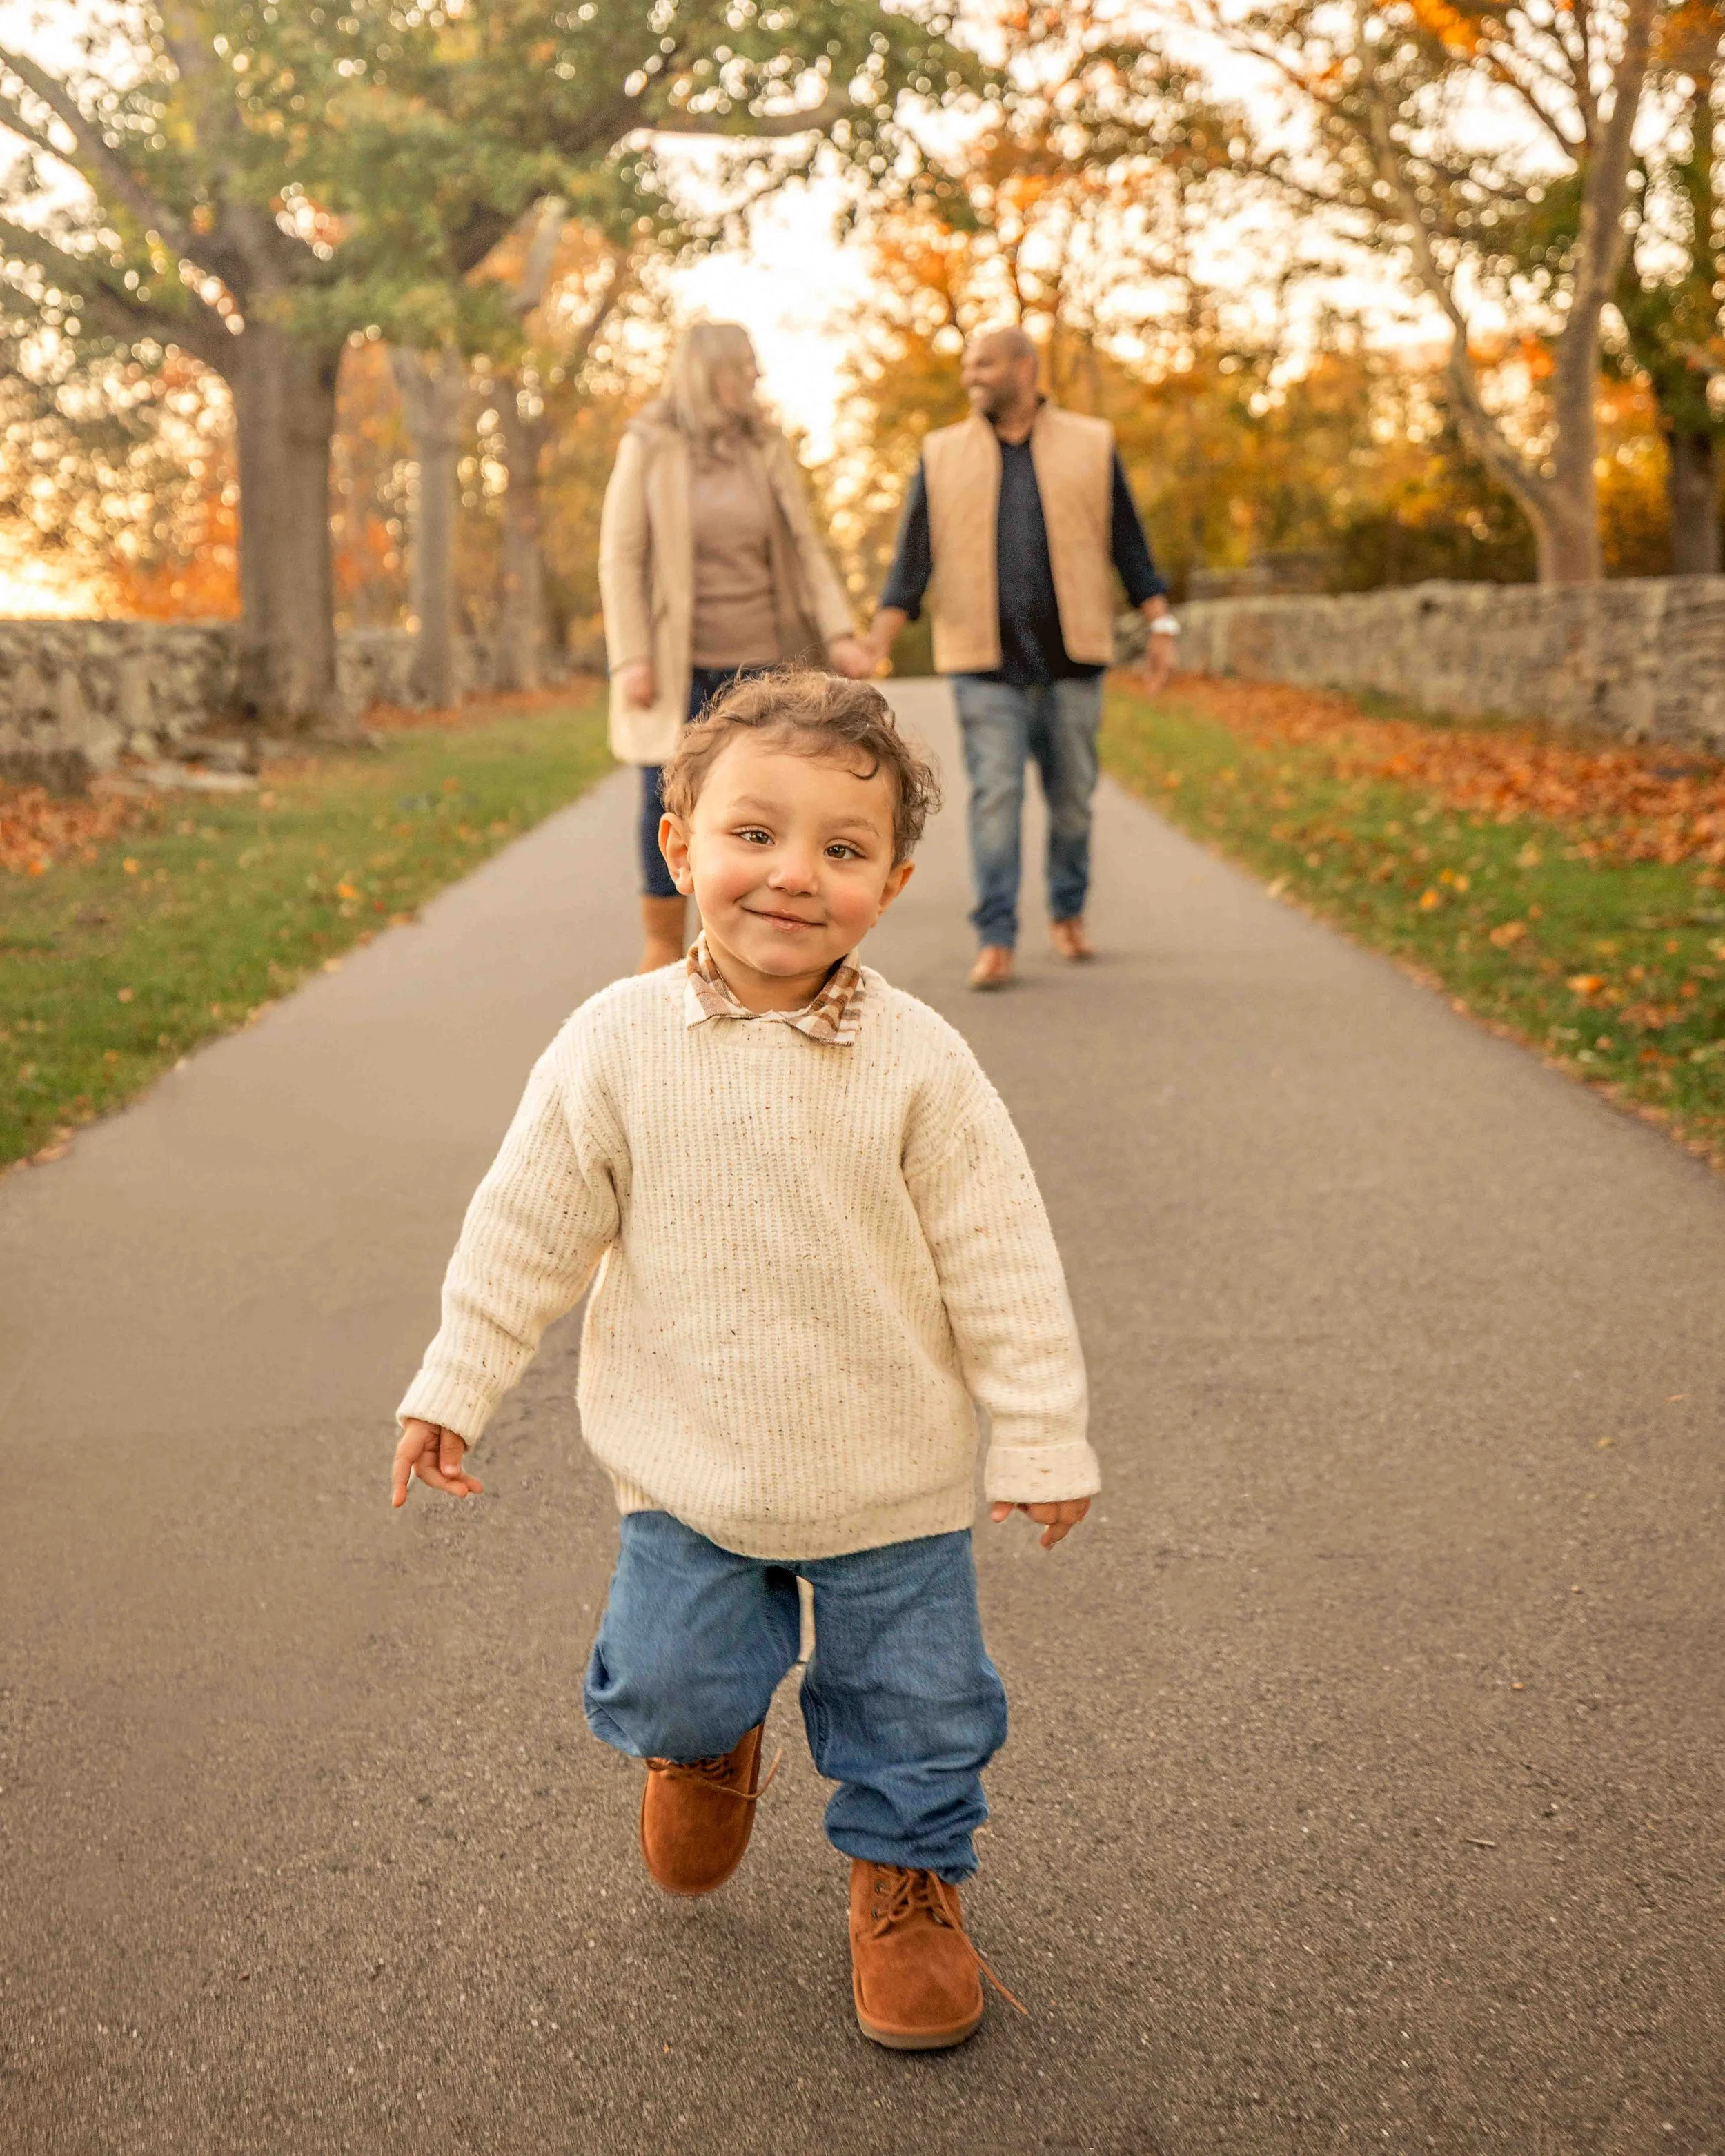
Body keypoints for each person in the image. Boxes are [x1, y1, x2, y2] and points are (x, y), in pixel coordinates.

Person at [391, 669, 1098, 2053]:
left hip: (887, 1472)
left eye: (840, 850)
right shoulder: (613, 1043)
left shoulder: (921, 1060)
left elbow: (1000, 1261)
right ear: (679, 845)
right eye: (752, 835)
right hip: (688, 1464)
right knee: (668, 1671)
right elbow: (523, 1231)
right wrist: (450, 1384)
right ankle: (705, 1734)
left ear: (888, 883)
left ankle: (906, 1874)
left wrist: (1041, 1434)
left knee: (918, 1705)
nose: (791, 875)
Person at [858, 325, 1178, 989]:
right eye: (968, 365)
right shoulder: (942, 453)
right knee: (995, 797)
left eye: (986, 364)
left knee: (1073, 802)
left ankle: (1067, 912)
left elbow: (1130, 544)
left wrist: (1161, 625)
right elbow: (911, 561)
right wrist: (878, 644)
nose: (972, 375)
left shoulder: (1092, 443)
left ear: (1025, 369)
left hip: (1074, 660)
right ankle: (996, 936)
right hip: (984, 664)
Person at [599, 321, 872, 971]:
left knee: (765, 803)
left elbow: (806, 547)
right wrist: (631, 656)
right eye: (743, 366)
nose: (755, 377)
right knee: (664, 801)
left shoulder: (765, 445)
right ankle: (664, 946)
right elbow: (621, 555)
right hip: (678, 663)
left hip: (765, 662)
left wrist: (839, 632)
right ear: (708, 372)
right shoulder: (650, 444)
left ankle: (733, 944)